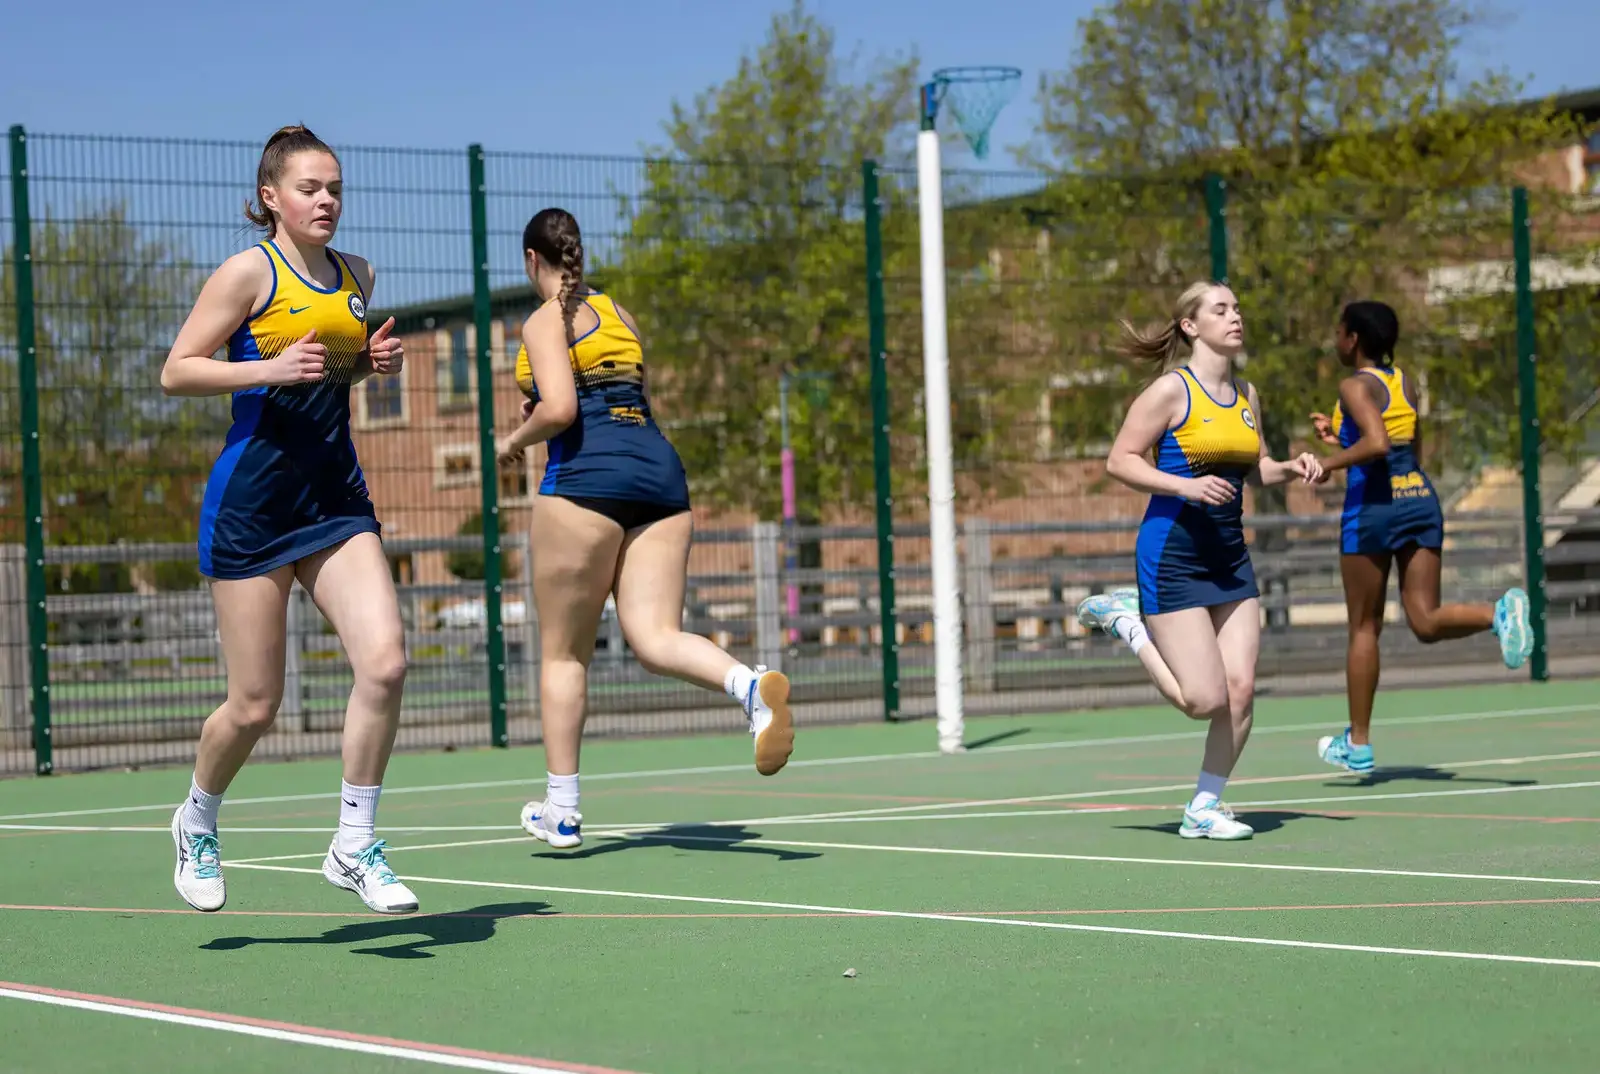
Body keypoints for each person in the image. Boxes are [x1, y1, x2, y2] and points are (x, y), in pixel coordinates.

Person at [159, 125, 418, 915]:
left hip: (336, 500)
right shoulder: (247, 273)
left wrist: (366, 365)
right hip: (255, 504)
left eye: (335, 187)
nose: (328, 200)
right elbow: (176, 370)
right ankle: (196, 819)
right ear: (271, 197)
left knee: (386, 664)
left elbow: (327, 370)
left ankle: (354, 842)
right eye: (311, 188)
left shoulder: (358, 274)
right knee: (255, 704)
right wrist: (266, 368)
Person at [496, 207, 794, 850]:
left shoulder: (544, 320)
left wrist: (514, 441)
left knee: (563, 654)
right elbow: (621, 399)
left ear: (531, 260)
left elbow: (563, 408)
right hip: (659, 479)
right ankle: (748, 688)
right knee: (657, 637)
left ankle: (563, 811)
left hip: (583, 486)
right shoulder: (623, 315)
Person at [1075, 281, 1321, 841]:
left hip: (1230, 558)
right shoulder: (1171, 392)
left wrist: (1295, 465)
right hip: (1174, 555)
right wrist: (1183, 488)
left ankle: (1203, 806)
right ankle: (1128, 623)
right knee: (1203, 699)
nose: (1235, 316)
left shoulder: (1246, 394)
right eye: (1221, 309)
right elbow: (1120, 460)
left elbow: (1255, 467)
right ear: (1191, 326)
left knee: (1241, 689)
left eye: (1237, 307)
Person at [1306, 300, 1532, 774]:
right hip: (1417, 495)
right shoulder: (1401, 379)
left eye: (1339, 331)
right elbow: (1403, 440)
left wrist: (1326, 463)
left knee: (1364, 627)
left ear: (1354, 340)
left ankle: (1359, 745)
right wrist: (1340, 438)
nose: (1336, 339)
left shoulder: (1352, 385)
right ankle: (1498, 614)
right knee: (1425, 621)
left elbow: (1377, 443)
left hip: (1373, 508)